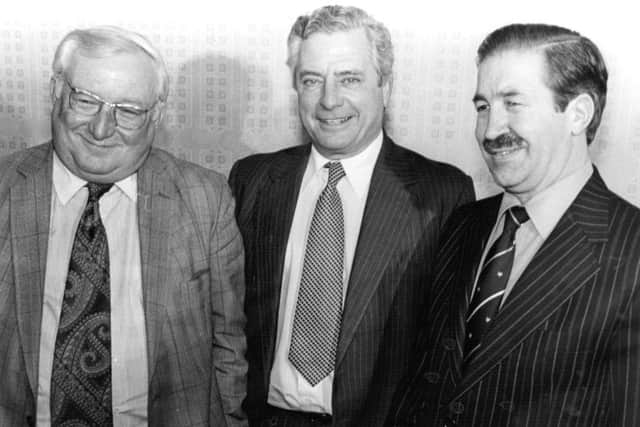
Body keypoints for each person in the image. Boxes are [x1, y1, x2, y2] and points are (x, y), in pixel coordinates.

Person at [229, 5, 474, 426]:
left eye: (349, 79)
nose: (328, 100)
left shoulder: (442, 193)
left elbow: (446, 351)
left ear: (386, 86)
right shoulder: (253, 179)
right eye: (312, 80)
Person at [387, 23, 640, 427]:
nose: (489, 130)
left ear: (578, 114)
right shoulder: (464, 222)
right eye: (483, 106)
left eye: (513, 103)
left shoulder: (632, 252)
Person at [0, 26, 247, 427]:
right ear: (55, 92)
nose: (101, 129)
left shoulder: (206, 198)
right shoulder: (5, 188)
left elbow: (228, 346)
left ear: (157, 115)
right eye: (85, 101)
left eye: (128, 110)